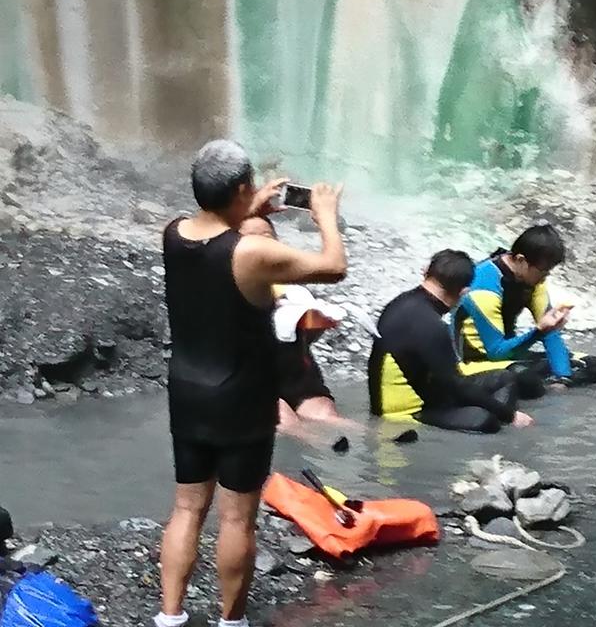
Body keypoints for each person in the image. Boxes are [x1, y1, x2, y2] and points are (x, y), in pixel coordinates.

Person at [159, 140, 347, 627]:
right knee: (237, 517)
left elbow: (216, 236)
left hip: (187, 391)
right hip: (240, 396)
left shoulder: (174, 233)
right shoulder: (254, 252)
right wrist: (324, 214)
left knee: (186, 509)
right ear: (241, 189)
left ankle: (171, 616)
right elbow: (333, 267)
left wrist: (247, 206)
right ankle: (231, 620)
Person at [368, 249, 537, 433]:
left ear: (426, 272)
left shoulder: (402, 302)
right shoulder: (432, 325)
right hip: (405, 412)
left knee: (504, 378)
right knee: (486, 420)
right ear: (464, 291)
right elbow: (456, 385)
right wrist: (510, 415)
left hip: (422, 390)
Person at [238, 217, 357, 433]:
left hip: (292, 369)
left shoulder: (293, 289)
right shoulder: (224, 282)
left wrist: (319, 322)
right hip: (250, 374)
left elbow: (306, 338)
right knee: (286, 421)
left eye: (267, 237)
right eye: (251, 238)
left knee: (327, 414)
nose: (261, 244)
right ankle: (317, 445)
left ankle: (376, 442)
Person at [454, 224, 596, 388]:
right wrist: (539, 331)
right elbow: (496, 353)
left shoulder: (534, 281)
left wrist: (562, 378)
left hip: (510, 356)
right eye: (543, 271)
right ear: (521, 260)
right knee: (526, 379)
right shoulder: (484, 288)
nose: (545, 277)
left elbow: (550, 333)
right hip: (475, 362)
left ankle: (545, 386)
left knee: (591, 365)